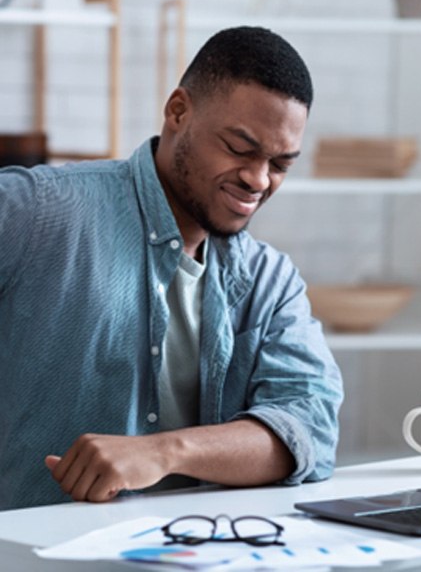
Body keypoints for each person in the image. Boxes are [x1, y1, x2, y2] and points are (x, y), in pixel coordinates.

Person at [0, 26, 343, 511]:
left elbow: (310, 430)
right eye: (240, 148)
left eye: (280, 164)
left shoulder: (272, 283)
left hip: (205, 553)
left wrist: (163, 452)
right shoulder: (41, 211)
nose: (259, 179)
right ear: (178, 111)